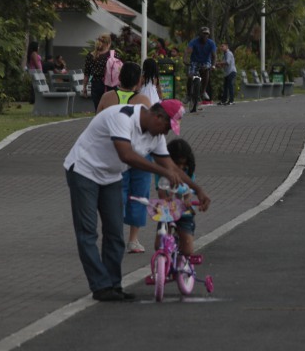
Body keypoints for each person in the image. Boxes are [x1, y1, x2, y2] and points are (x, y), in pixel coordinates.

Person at [64, 99, 211, 301]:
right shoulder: (123, 117)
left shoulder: (155, 135)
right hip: (83, 171)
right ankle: (100, 286)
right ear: (158, 116)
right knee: (88, 232)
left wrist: (198, 189)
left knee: (115, 232)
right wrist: (162, 172)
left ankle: (114, 285)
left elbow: (172, 167)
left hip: (110, 176)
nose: (165, 133)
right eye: (167, 126)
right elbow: (127, 156)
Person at [96, 62, 154, 253]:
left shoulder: (107, 97)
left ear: (119, 77)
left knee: (115, 195)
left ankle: (113, 237)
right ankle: (133, 240)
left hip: (113, 154)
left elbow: (97, 126)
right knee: (139, 194)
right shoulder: (144, 101)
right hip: (138, 155)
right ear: (139, 80)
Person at [154, 139, 199, 255]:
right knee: (159, 245)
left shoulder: (189, 174)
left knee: (187, 250)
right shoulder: (162, 173)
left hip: (184, 212)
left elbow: (188, 191)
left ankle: (184, 266)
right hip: (167, 211)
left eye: (184, 165)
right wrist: (165, 199)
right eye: (177, 163)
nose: (180, 167)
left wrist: (187, 200)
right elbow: (161, 190)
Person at [183, 26, 217, 111]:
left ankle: (203, 91)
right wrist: (185, 59)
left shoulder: (211, 43)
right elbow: (187, 51)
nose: (205, 36)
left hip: (206, 62)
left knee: (206, 70)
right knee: (190, 76)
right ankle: (188, 94)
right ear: (200, 34)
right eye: (204, 34)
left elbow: (214, 56)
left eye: (207, 34)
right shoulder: (194, 41)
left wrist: (213, 65)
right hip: (195, 61)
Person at [83, 33, 116, 111]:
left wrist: (84, 87)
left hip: (96, 84)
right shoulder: (113, 55)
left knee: (98, 108)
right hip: (110, 85)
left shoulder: (90, 56)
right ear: (108, 44)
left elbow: (87, 73)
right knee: (110, 109)